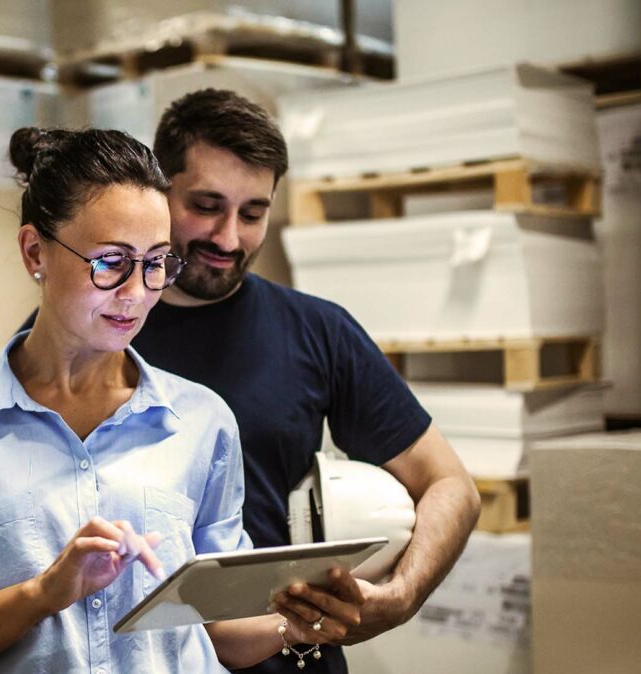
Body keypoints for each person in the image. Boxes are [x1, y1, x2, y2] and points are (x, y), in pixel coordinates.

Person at [0, 127, 339, 674]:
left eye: (156, 262)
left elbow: (216, 629)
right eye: (111, 261)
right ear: (34, 250)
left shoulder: (202, 422)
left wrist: (302, 618)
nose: (136, 293)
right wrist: (43, 593)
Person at [119, 89, 482, 673]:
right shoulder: (95, 327)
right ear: (160, 191)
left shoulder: (317, 330)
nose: (229, 238)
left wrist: (402, 595)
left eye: (254, 213)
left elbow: (451, 487)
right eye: (206, 205)